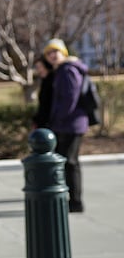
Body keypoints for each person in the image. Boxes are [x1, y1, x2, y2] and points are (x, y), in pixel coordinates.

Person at [44, 38, 89, 213]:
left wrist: (58, 119)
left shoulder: (69, 69)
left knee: (70, 162)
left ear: (64, 53)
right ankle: (70, 198)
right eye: (49, 53)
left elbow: (70, 97)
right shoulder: (61, 70)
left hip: (71, 124)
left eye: (55, 51)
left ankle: (76, 201)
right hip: (68, 123)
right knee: (67, 162)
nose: (52, 55)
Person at [32, 55, 53, 129]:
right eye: (36, 68)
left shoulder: (53, 80)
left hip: (51, 123)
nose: (38, 70)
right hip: (43, 123)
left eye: (39, 67)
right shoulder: (44, 81)